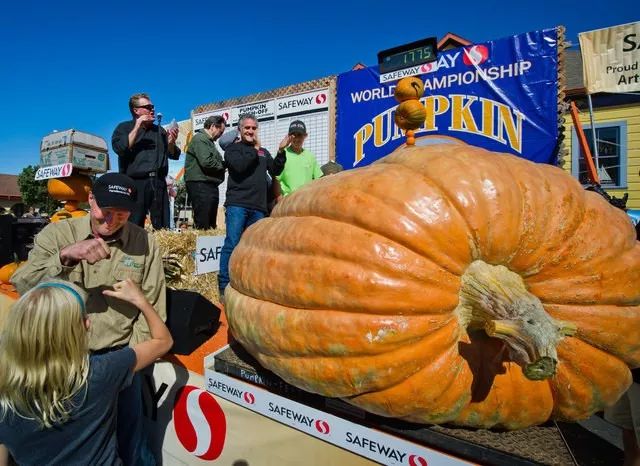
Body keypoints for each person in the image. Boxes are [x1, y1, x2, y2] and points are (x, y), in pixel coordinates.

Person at [11, 172, 167, 465]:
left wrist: (131, 363)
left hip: (119, 362)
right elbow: (22, 286)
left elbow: (153, 304)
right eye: (104, 211)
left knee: (133, 446)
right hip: (60, 363)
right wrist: (65, 257)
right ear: (91, 199)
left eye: (121, 214)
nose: (111, 220)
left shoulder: (144, 243)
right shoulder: (58, 234)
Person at [0, 278, 172, 465]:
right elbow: (163, 341)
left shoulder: (5, 390)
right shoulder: (100, 372)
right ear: (70, 332)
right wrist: (140, 300)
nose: (89, 323)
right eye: (82, 318)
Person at [218, 114, 286, 300]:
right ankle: (224, 286)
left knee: (256, 247)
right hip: (237, 205)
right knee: (232, 243)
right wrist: (255, 150)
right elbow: (240, 167)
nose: (250, 131)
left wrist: (280, 152)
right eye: (247, 128)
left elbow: (275, 170)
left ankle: (250, 283)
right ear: (240, 130)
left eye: (253, 128)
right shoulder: (233, 149)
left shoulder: (263, 151)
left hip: (258, 207)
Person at [112, 93, 181, 229]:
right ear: (136, 110)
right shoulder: (124, 128)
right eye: (148, 107)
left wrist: (171, 143)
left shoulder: (159, 130)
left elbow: (173, 154)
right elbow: (120, 148)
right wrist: (138, 125)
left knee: (162, 227)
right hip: (135, 183)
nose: (152, 109)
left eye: (153, 106)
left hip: (159, 183)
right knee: (133, 225)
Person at [184, 115, 227, 229]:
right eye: (220, 131)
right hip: (200, 184)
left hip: (207, 184)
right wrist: (225, 165)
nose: (220, 135)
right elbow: (207, 162)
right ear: (213, 126)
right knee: (203, 222)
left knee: (210, 222)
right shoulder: (200, 139)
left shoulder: (208, 142)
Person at [276, 120, 323, 197]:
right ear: (289, 136)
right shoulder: (282, 155)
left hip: (305, 201)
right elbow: (276, 179)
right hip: (288, 201)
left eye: (299, 135)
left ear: (305, 135)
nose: (296, 139)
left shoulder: (310, 157)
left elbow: (319, 179)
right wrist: (279, 198)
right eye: (293, 135)